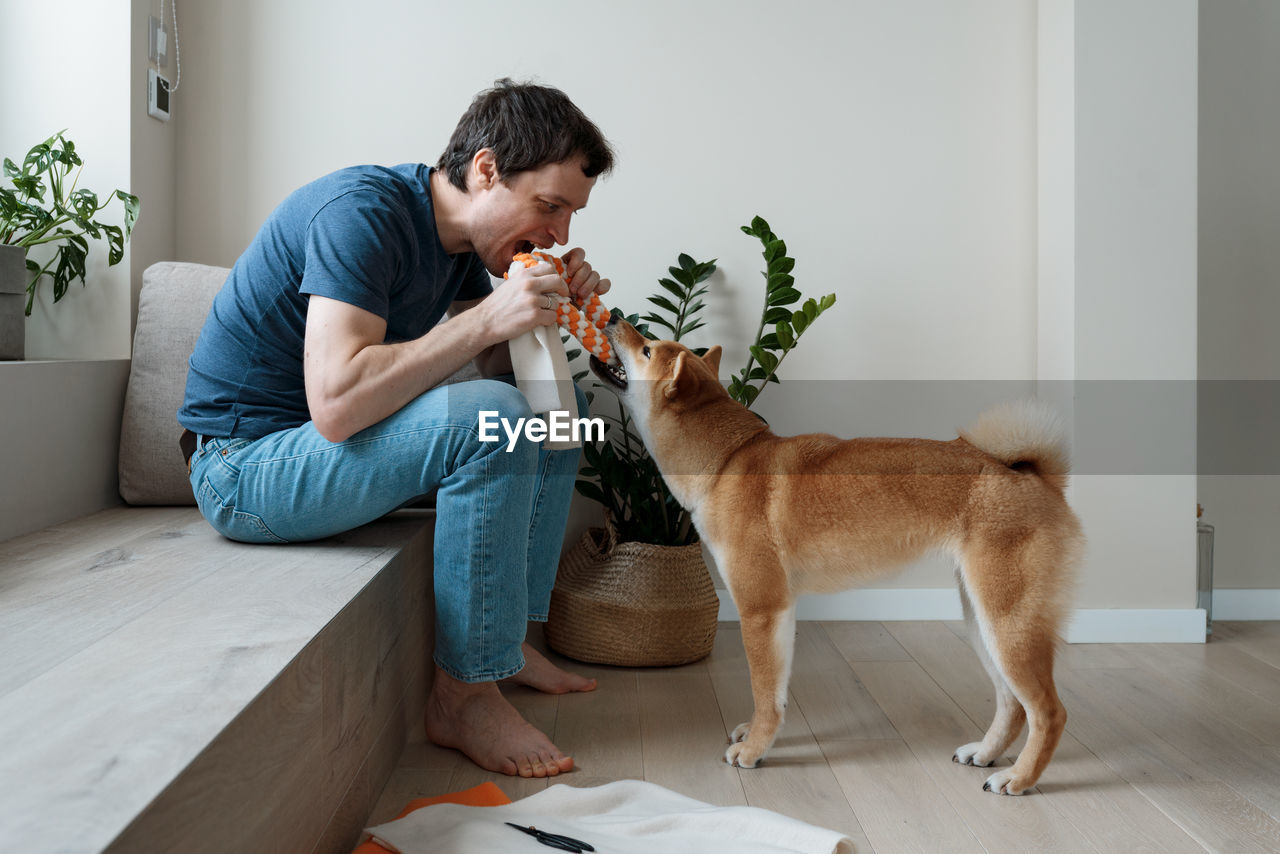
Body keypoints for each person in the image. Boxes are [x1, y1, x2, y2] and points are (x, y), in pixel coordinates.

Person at [177, 78, 615, 778]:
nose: (560, 233)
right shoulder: (365, 214)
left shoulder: (463, 244)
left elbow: (491, 365)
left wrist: (545, 308)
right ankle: (464, 696)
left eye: (570, 216)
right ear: (486, 170)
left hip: (322, 458)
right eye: (550, 206)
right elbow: (338, 403)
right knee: (499, 420)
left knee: (556, 408)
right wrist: (490, 315)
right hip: (242, 468)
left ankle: (509, 638)